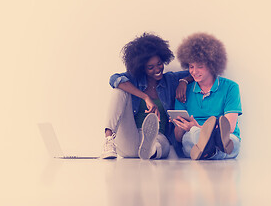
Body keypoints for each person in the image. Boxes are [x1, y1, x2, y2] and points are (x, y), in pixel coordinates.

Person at [101, 32, 192, 160]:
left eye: (159, 63)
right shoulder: (134, 80)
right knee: (119, 90)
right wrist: (145, 97)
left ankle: (150, 150)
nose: (157, 69)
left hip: (158, 137)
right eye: (150, 67)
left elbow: (196, 72)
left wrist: (184, 81)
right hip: (131, 139)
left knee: (161, 144)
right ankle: (108, 141)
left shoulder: (170, 80)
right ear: (142, 68)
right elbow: (114, 79)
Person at [172, 32, 242, 160]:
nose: (194, 71)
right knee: (189, 138)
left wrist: (196, 127)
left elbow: (230, 128)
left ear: (212, 66)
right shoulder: (183, 92)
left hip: (223, 137)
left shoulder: (230, 87)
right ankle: (213, 150)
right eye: (191, 66)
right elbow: (178, 137)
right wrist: (181, 127)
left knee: (232, 141)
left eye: (200, 66)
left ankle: (207, 150)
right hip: (194, 138)